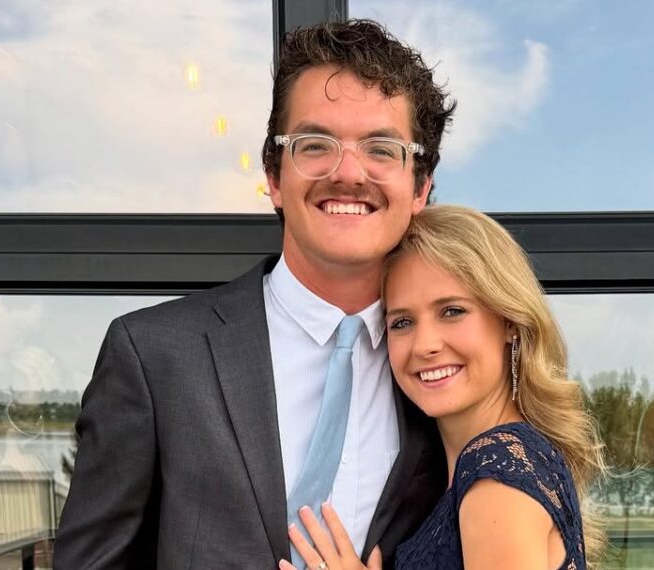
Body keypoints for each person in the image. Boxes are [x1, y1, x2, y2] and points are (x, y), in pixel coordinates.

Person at [53, 20, 455, 569]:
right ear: (274, 175)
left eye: (382, 149)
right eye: (315, 145)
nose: (348, 172)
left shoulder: (447, 372)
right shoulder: (153, 354)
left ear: (420, 187)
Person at [282, 205, 607, 570]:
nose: (424, 345)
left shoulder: (497, 473)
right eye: (402, 322)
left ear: (510, 322)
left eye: (452, 311)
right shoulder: (485, 467)